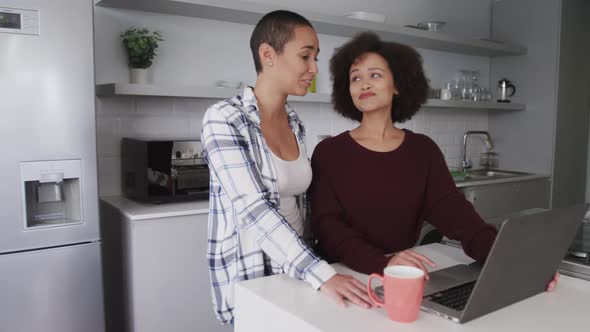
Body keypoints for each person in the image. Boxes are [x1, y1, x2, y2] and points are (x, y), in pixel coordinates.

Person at [310, 32, 559, 290]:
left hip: (399, 275)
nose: (364, 84)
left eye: (375, 75)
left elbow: (460, 217)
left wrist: (510, 259)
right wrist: (382, 263)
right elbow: (328, 228)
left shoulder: (422, 151)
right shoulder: (329, 152)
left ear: (397, 85)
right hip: (343, 278)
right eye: (355, 78)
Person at [200, 11, 372, 326]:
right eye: (306, 56)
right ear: (268, 55)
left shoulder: (295, 123)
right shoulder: (223, 118)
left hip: (298, 271)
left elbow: (300, 203)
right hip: (254, 276)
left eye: (315, 58)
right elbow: (254, 208)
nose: (314, 68)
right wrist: (322, 275)